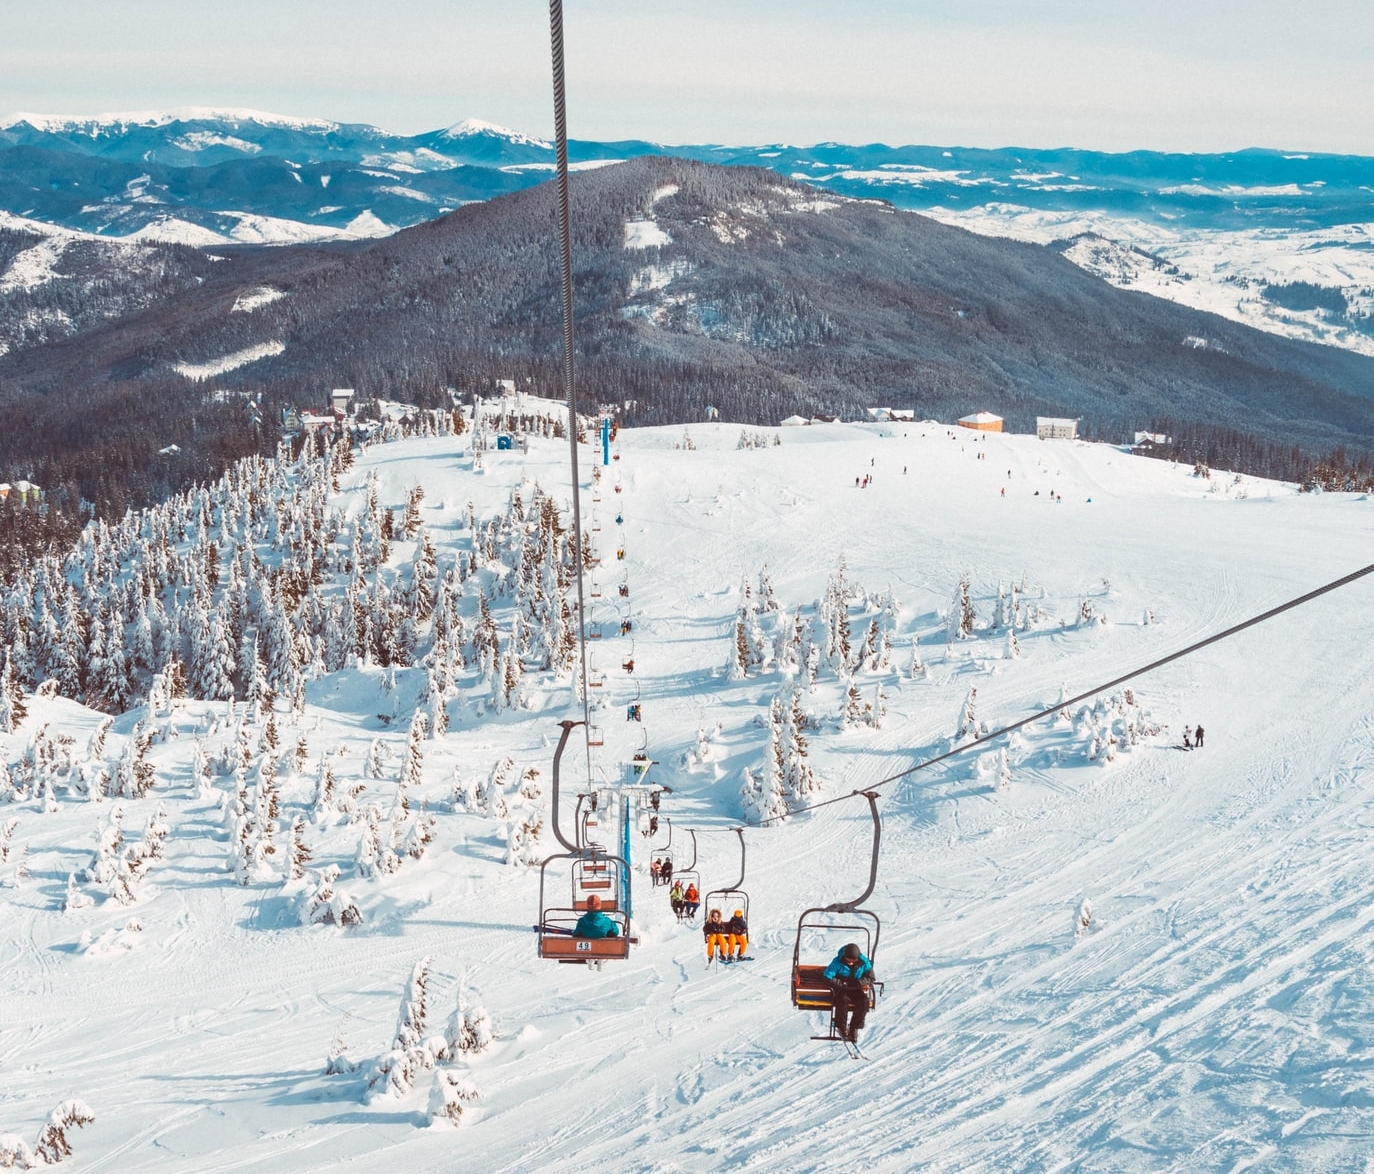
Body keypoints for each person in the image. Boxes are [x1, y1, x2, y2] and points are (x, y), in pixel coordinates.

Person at [823, 942, 875, 1043]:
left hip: (856, 988)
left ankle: (854, 1027)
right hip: (841, 989)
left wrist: (859, 983)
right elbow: (827, 977)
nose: (850, 963)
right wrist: (841, 984)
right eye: (848, 960)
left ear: (857, 958)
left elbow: (871, 977)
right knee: (842, 1001)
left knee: (864, 1002)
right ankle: (842, 1027)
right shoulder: (837, 962)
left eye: (853, 960)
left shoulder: (864, 963)